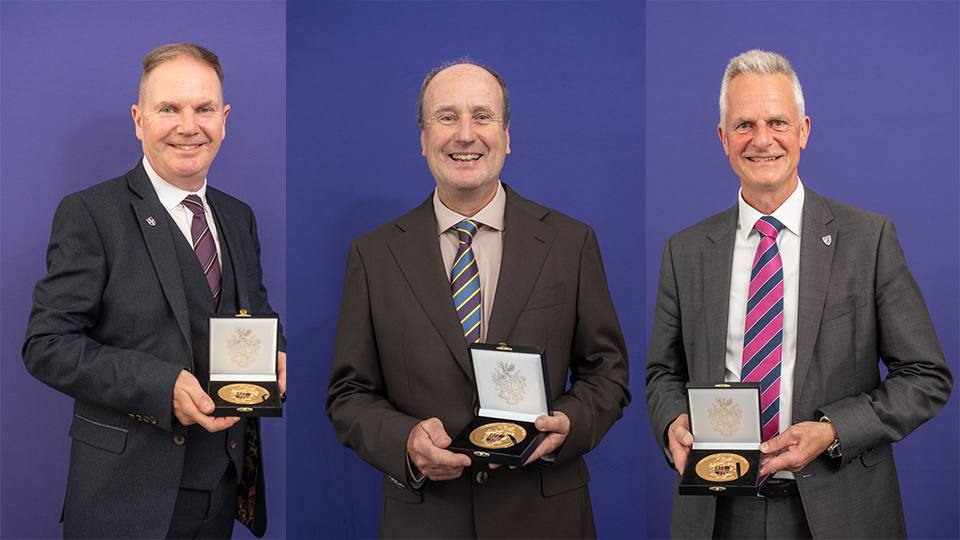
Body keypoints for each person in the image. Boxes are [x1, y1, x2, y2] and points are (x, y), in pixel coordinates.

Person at [646, 49, 952, 538]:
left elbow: (925, 377)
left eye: (778, 122)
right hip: (718, 512)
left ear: (804, 130)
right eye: (744, 124)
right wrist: (671, 424)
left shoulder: (867, 239)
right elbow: (663, 373)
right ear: (723, 139)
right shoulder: (684, 252)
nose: (762, 139)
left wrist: (834, 430)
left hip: (841, 510)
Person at [326, 60, 630, 538]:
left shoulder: (571, 243)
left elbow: (607, 371)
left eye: (482, 117)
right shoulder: (375, 254)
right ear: (423, 139)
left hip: (546, 517)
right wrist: (405, 441)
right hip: (426, 518)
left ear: (507, 137)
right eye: (447, 117)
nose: (465, 135)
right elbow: (349, 394)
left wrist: (568, 423)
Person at [23, 43, 286, 539]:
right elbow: (46, 346)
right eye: (169, 108)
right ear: (138, 119)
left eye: (204, 108)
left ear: (224, 118)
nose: (189, 125)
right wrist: (158, 385)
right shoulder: (91, 213)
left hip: (221, 490)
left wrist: (276, 349)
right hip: (124, 502)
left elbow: (251, 311)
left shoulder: (237, 216)